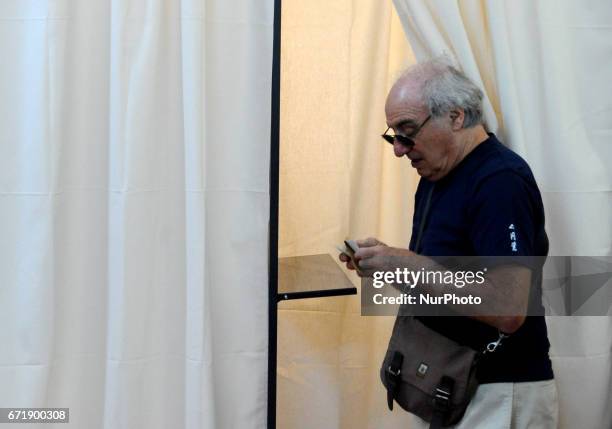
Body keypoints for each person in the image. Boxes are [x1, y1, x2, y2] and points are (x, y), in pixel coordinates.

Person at [339, 59, 558, 428]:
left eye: (408, 132)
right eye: (394, 134)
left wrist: (405, 263)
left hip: (496, 390)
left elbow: (508, 308)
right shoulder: (438, 172)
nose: (399, 149)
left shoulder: (499, 181)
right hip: (449, 384)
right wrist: (386, 261)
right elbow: (446, 278)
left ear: (456, 117)